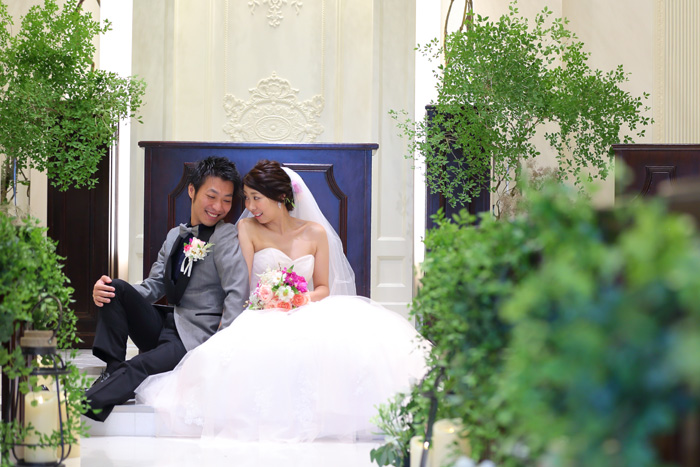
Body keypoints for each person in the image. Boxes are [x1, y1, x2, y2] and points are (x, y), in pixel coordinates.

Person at [135, 160, 429, 441]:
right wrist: (269, 299)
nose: (250, 207)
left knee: (351, 345)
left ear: (281, 198)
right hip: (263, 310)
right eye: (246, 198)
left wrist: (297, 297)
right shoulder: (247, 228)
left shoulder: (315, 233)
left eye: (256, 198)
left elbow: (323, 287)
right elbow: (241, 283)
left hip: (305, 307)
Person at [85, 156, 249, 422]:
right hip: (165, 324)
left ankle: (83, 405)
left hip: (194, 336)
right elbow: (154, 286)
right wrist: (104, 291)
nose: (218, 207)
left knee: (139, 364)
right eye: (212, 196)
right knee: (114, 287)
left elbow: (237, 292)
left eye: (227, 200)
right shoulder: (175, 235)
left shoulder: (225, 235)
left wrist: (221, 345)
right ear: (192, 190)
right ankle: (112, 368)